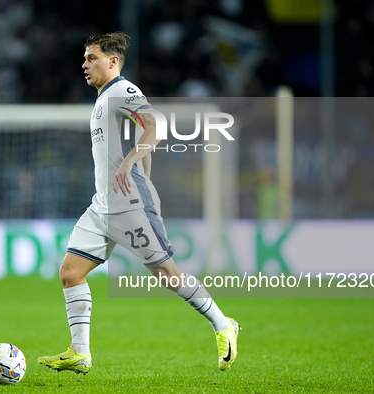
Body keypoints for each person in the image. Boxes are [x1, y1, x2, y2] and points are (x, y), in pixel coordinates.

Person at [38, 32, 240, 375]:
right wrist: (142, 167)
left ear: (113, 61)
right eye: (84, 58)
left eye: (92, 58)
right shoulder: (104, 98)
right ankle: (80, 352)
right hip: (101, 205)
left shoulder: (122, 90)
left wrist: (133, 167)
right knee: (71, 273)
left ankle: (224, 326)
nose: (84, 64)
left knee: (167, 275)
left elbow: (154, 126)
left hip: (128, 205)